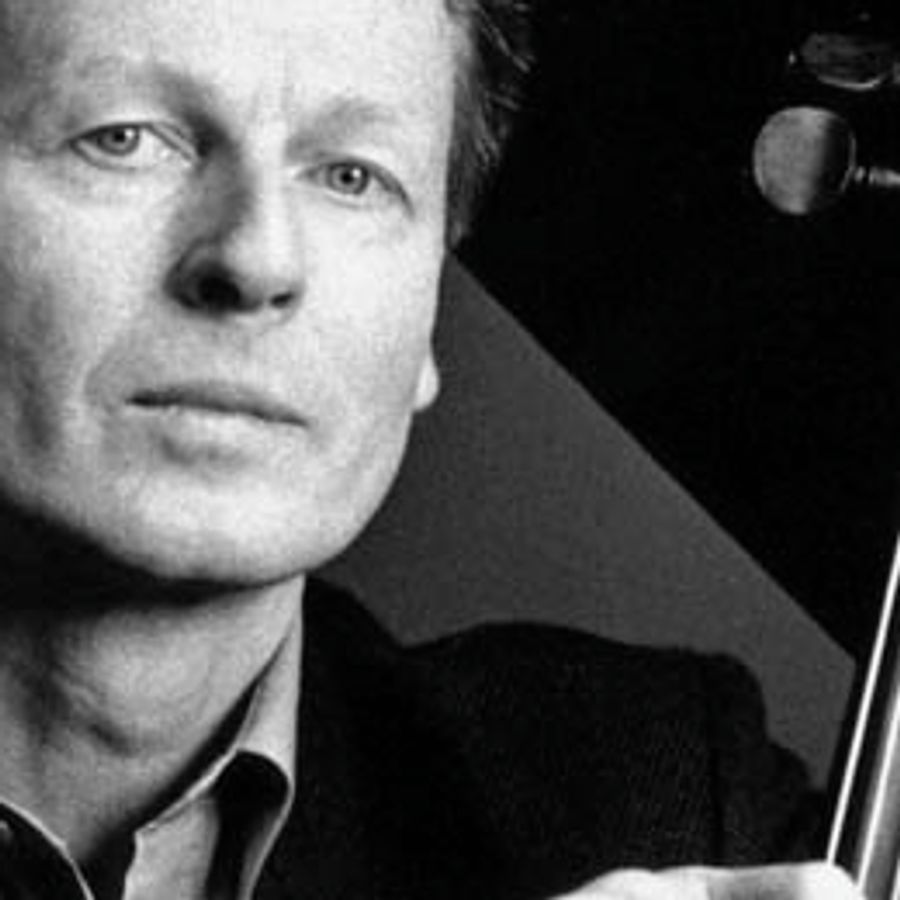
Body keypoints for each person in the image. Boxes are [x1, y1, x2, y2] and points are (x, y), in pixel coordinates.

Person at [0, 0, 866, 898]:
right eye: (125, 140)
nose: (258, 260)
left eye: (352, 177)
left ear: (428, 322)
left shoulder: (668, 800)